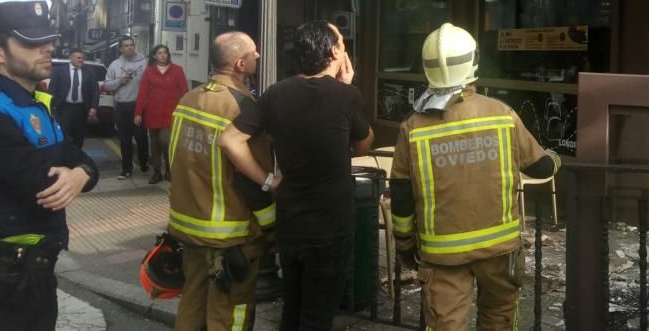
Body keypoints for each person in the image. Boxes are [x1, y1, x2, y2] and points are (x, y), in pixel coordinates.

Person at [390, 23, 561, 330]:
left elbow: (401, 195)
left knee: (446, 325)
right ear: (473, 62)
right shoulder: (501, 114)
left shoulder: (412, 127)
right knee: (499, 320)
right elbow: (541, 168)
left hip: (441, 254)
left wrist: (404, 246)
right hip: (500, 251)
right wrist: (556, 158)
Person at [218, 21, 374, 331]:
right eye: (343, 45)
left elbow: (229, 140)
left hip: (290, 221)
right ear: (333, 52)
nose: (345, 51)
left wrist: (268, 181)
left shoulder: (276, 93)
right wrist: (348, 86)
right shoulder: (345, 96)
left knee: (293, 308)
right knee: (317, 315)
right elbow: (363, 142)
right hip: (330, 225)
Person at [0, 1, 100, 330]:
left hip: (31, 269)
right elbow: (43, 186)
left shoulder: (33, 100)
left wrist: (80, 173)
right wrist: (75, 173)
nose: (48, 48)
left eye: (49, 40)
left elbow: (80, 158)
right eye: (32, 42)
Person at [166, 31, 276, 331]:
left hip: (187, 227)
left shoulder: (189, 98)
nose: (258, 56)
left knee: (192, 302)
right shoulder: (244, 108)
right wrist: (270, 226)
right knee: (231, 311)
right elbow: (251, 180)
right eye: (254, 53)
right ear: (240, 63)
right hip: (231, 236)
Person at [134, 44, 188, 184]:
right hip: (152, 112)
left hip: (171, 112)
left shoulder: (177, 70)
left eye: (165, 53)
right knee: (154, 143)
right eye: (159, 53)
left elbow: (184, 91)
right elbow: (142, 93)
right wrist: (138, 113)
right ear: (154, 56)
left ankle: (169, 170)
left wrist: (186, 110)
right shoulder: (149, 71)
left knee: (165, 141)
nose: (163, 55)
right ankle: (157, 171)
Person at [104, 36, 149, 179]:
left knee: (141, 138)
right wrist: (119, 81)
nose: (130, 47)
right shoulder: (114, 65)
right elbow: (106, 85)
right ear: (121, 48)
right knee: (124, 140)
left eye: (131, 45)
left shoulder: (144, 62)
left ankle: (143, 162)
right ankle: (126, 169)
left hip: (138, 106)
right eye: (126, 45)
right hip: (122, 106)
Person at [47, 48, 98, 149]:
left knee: (79, 136)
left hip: (81, 109)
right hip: (64, 109)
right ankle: (64, 159)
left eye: (83, 58)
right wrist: (51, 108)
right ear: (71, 58)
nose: (81, 60)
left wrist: (93, 107)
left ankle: (77, 158)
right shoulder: (59, 71)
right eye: (78, 58)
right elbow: (52, 90)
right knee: (64, 135)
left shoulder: (89, 71)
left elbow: (95, 90)